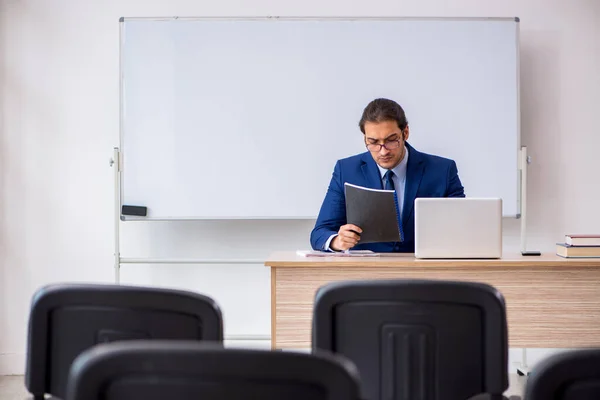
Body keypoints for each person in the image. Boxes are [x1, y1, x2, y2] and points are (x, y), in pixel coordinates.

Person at [310, 98, 465, 252]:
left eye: (391, 141)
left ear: (405, 133)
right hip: (366, 271)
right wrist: (336, 241)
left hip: (423, 269)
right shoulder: (346, 170)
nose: (383, 151)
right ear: (364, 138)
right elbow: (319, 233)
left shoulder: (443, 170)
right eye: (373, 142)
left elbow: (463, 229)